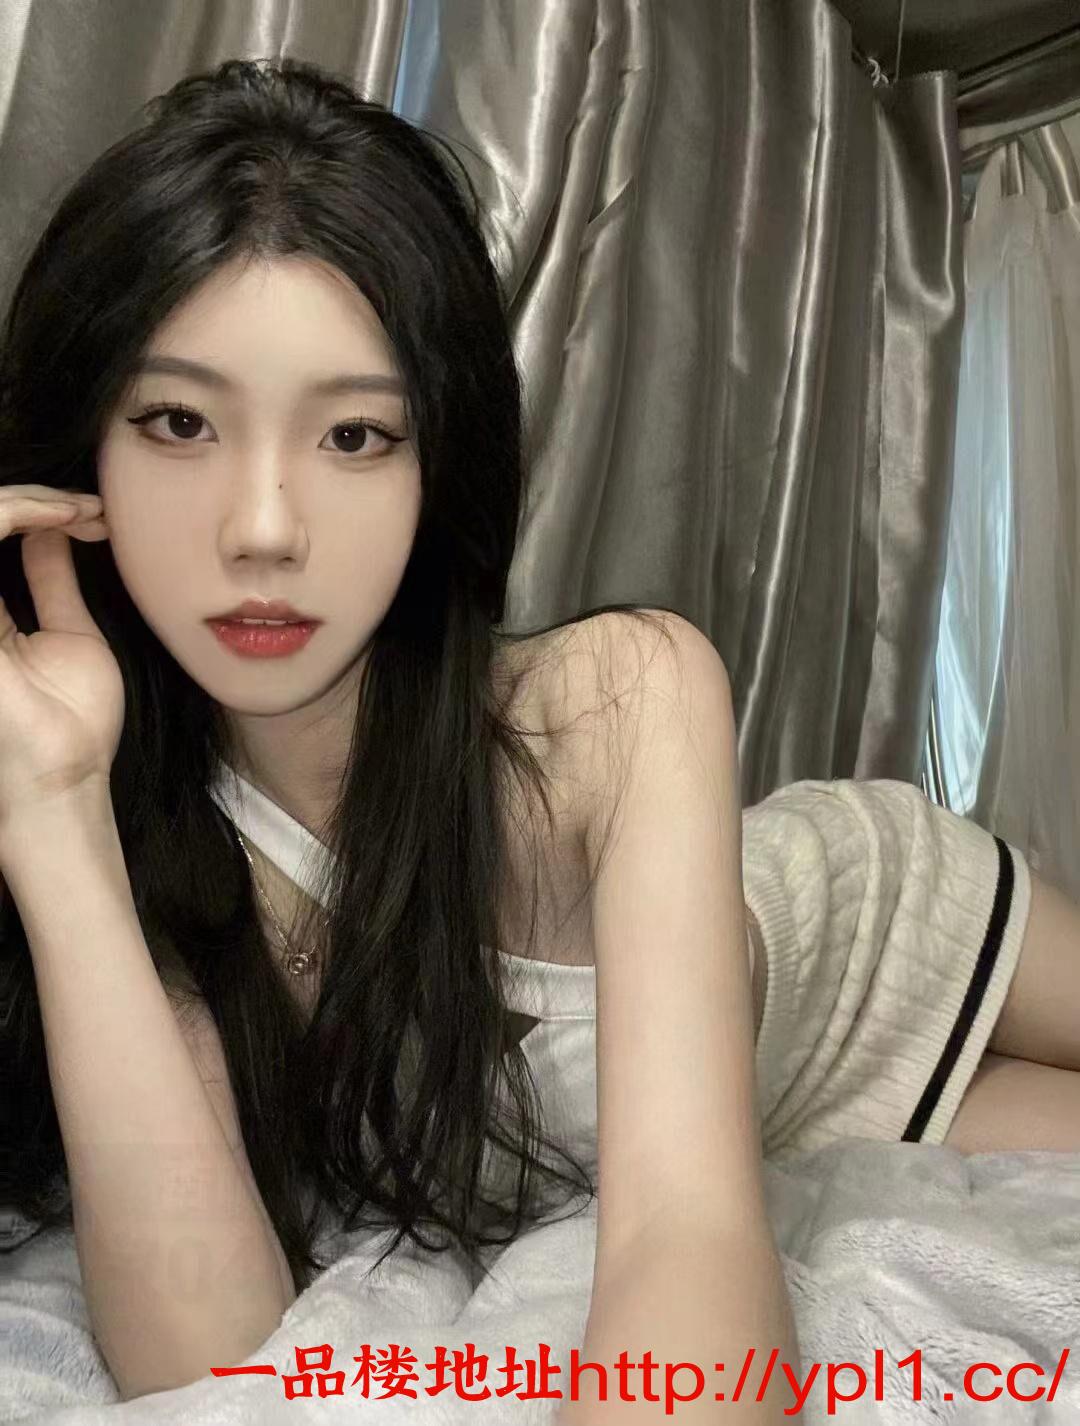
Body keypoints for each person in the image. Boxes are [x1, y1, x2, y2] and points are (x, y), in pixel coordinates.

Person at [0, 55, 1077, 1422]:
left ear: (437, 460)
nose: (262, 527)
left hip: (868, 936)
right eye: (178, 421)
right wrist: (51, 805)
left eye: (354, 434)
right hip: (790, 1101)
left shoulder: (622, 697)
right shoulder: (138, 811)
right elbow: (204, 1357)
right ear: (80, 463)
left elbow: (683, 1235)